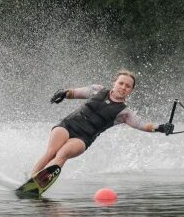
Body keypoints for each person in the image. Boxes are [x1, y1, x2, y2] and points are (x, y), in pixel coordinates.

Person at [30, 70, 174, 176]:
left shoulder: (124, 113)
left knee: (62, 154)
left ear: (131, 90)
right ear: (114, 83)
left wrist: (161, 128)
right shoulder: (97, 90)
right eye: (121, 83)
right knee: (51, 152)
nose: (123, 87)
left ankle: (41, 181)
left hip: (83, 138)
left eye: (128, 86)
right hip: (68, 125)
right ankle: (31, 178)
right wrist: (64, 93)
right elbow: (75, 93)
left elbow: (143, 125)